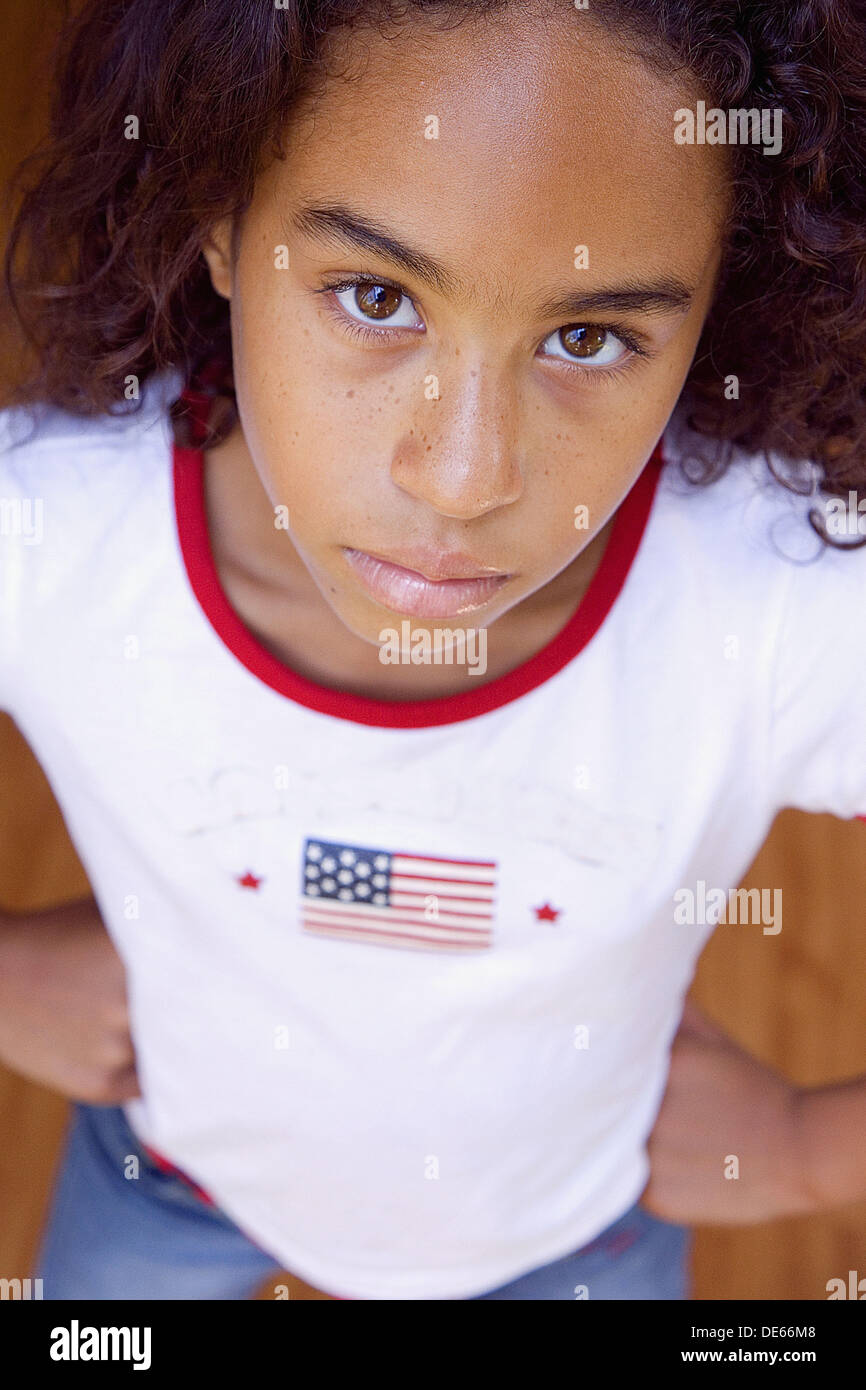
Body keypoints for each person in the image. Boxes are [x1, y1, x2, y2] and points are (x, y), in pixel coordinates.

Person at [0, 0, 864, 1301]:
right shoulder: (49, 540)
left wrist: (805, 1151)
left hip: (579, 1228)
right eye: (374, 296)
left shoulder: (778, 604)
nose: (461, 479)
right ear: (218, 214)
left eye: (589, 337)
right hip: (167, 1177)